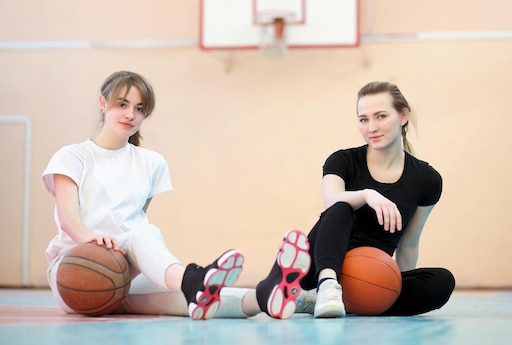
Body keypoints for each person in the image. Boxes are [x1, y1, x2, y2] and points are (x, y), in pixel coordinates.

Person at [42, 70, 311, 320]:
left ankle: (263, 296)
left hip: (123, 267)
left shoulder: (151, 162)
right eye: (122, 104)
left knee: (188, 298)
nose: (131, 114)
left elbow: (134, 220)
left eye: (139, 108)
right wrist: (93, 241)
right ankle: (191, 278)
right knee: (146, 238)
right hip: (75, 265)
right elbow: (68, 216)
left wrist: (129, 261)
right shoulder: (73, 156)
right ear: (103, 103)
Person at [297, 81, 455, 318]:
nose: (372, 127)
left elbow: (409, 243)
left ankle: (350, 300)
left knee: (442, 281)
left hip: (367, 273)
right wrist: (366, 194)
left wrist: (398, 285)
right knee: (341, 206)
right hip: (320, 266)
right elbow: (331, 202)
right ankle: (326, 289)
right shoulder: (342, 161)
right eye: (364, 119)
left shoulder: (427, 179)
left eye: (380, 116)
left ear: (403, 116)